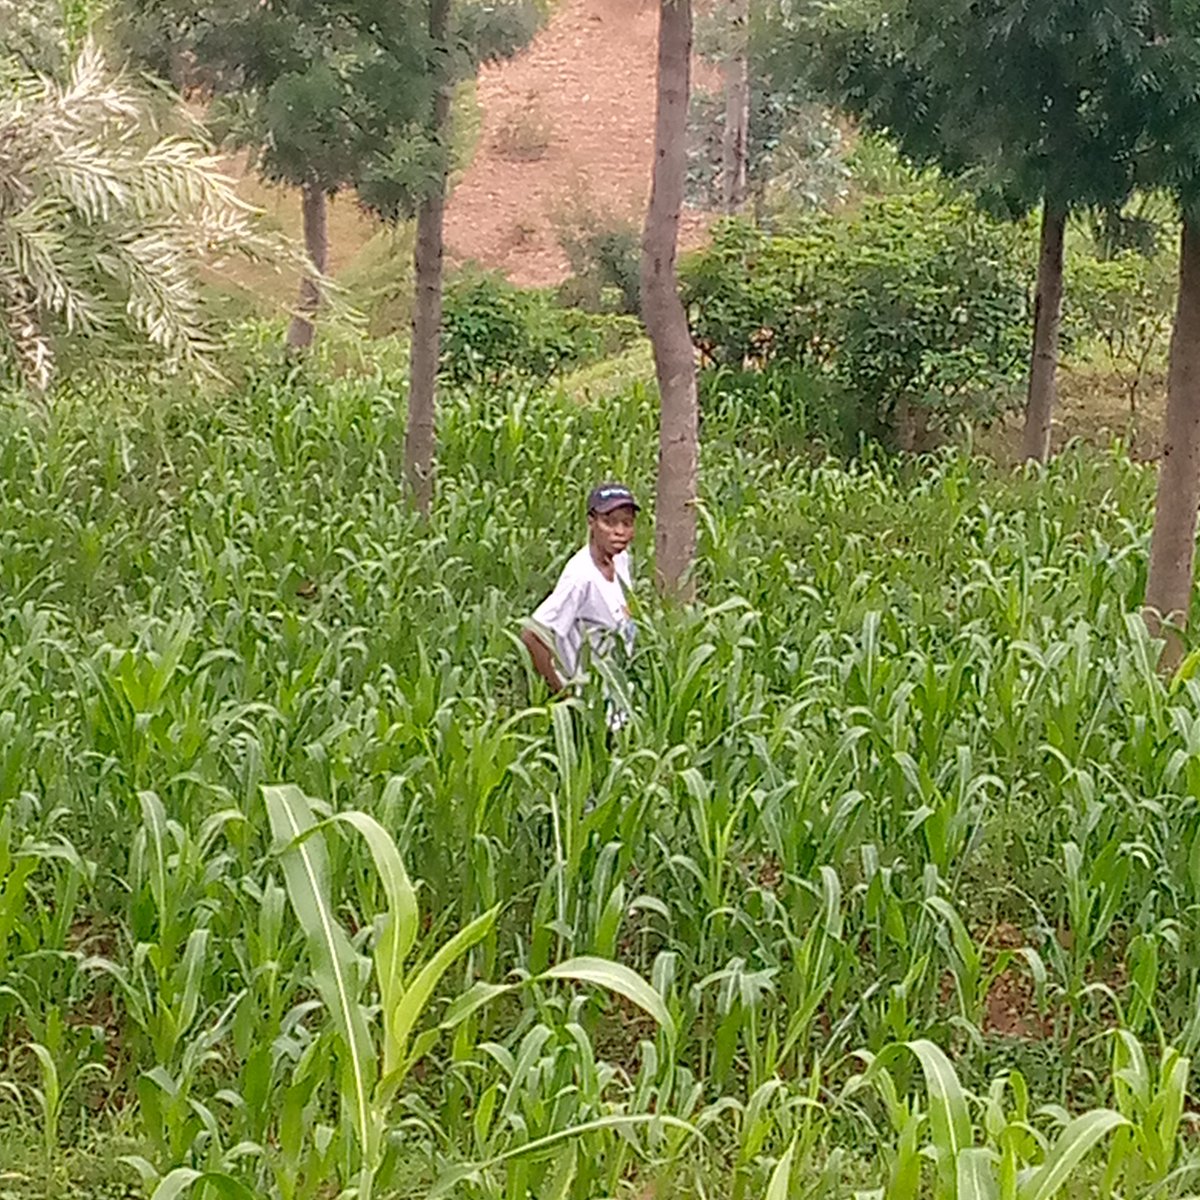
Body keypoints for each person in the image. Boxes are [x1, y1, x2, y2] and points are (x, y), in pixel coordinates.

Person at [521, 483, 639, 724]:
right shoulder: (581, 577)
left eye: (626, 523)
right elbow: (532, 634)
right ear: (591, 522)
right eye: (610, 522)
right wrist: (564, 695)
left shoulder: (621, 559)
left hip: (618, 698)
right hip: (593, 712)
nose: (619, 531)